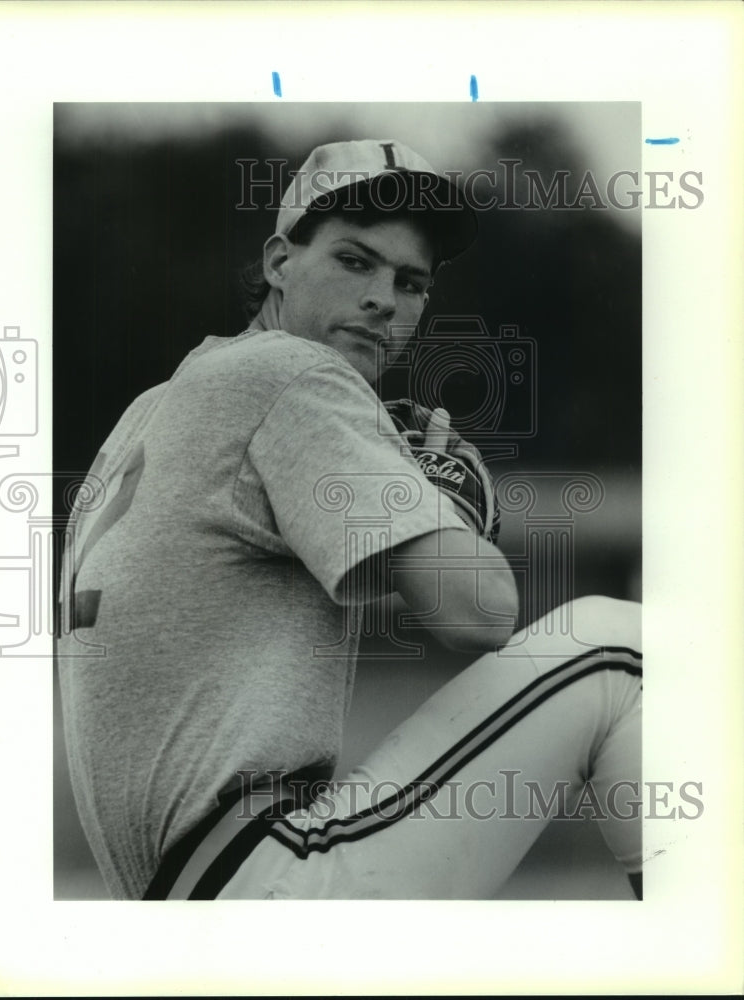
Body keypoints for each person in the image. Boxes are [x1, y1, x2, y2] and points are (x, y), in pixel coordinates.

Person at [57, 139, 642, 901]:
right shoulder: (292, 374)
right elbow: (480, 611)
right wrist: (447, 506)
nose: (384, 300)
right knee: (621, 648)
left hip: (185, 900)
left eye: (410, 282)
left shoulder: (153, 410)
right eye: (354, 261)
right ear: (278, 261)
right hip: (268, 876)